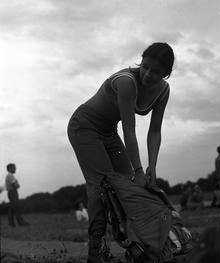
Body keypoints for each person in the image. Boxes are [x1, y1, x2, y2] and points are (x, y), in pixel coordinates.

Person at [67, 42, 174, 263]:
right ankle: (96, 251)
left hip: (108, 132)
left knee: (129, 186)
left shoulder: (163, 90)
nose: (148, 74)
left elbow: (155, 130)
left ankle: (137, 246)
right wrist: (139, 169)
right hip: (85, 126)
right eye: (145, 67)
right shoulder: (127, 82)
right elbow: (129, 128)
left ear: (166, 74)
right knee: (103, 186)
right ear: (140, 62)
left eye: (156, 72)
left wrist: (151, 165)